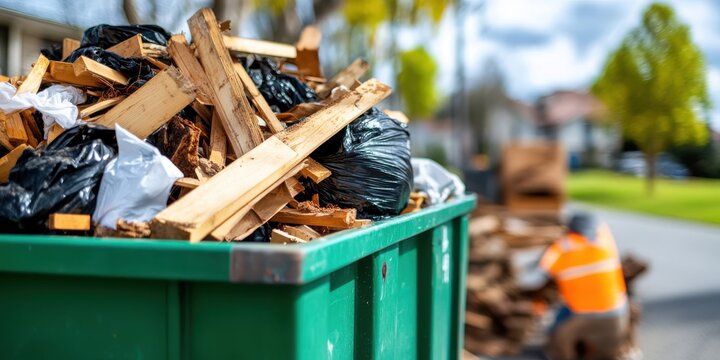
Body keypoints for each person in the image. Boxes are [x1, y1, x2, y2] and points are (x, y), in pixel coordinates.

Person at [539, 212, 629, 360]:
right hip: (618, 310)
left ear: (570, 230)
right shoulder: (606, 241)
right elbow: (602, 227)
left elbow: (539, 274)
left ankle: (555, 350)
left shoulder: (562, 248)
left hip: (584, 313)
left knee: (558, 328)